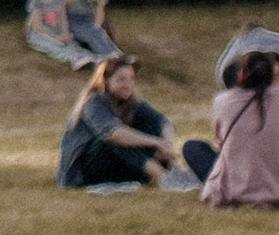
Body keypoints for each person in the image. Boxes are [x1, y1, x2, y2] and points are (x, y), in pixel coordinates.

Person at [57, 52, 212, 191]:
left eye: (131, 79)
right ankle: (163, 177)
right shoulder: (93, 102)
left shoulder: (131, 101)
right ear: (105, 80)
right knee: (116, 137)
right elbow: (113, 133)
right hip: (86, 172)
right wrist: (155, 142)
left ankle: (174, 171)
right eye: (121, 79)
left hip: (118, 167)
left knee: (149, 125)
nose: (128, 84)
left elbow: (162, 120)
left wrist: (166, 145)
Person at [201, 27, 279, 207]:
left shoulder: (222, 100)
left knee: (193, 148)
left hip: (236, 187)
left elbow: (218, 140)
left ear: (240, 74)